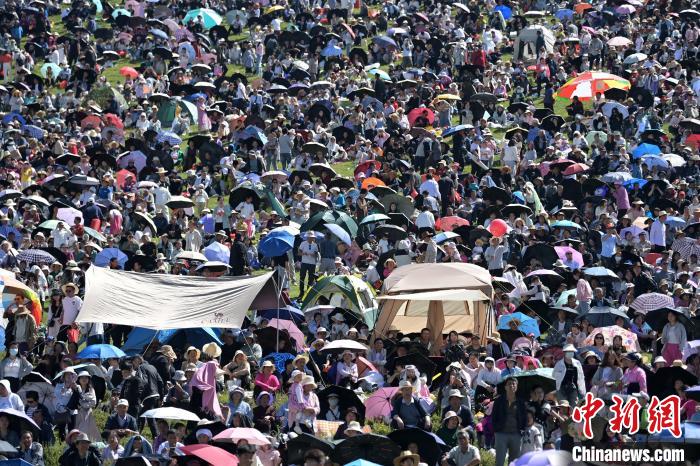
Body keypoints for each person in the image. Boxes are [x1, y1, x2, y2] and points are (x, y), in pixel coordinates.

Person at [491, 376, 526, 466]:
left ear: (516, 387)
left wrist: (521, 430)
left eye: (514, 384)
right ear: (505, 387)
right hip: (501, 434)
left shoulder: (521, 402)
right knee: (499, 462)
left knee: (514, 462)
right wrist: (496, 430)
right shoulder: (499, 401)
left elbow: (524, 417)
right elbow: (494, 416)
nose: (511, 386)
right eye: (509, 384)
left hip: (516, 434)